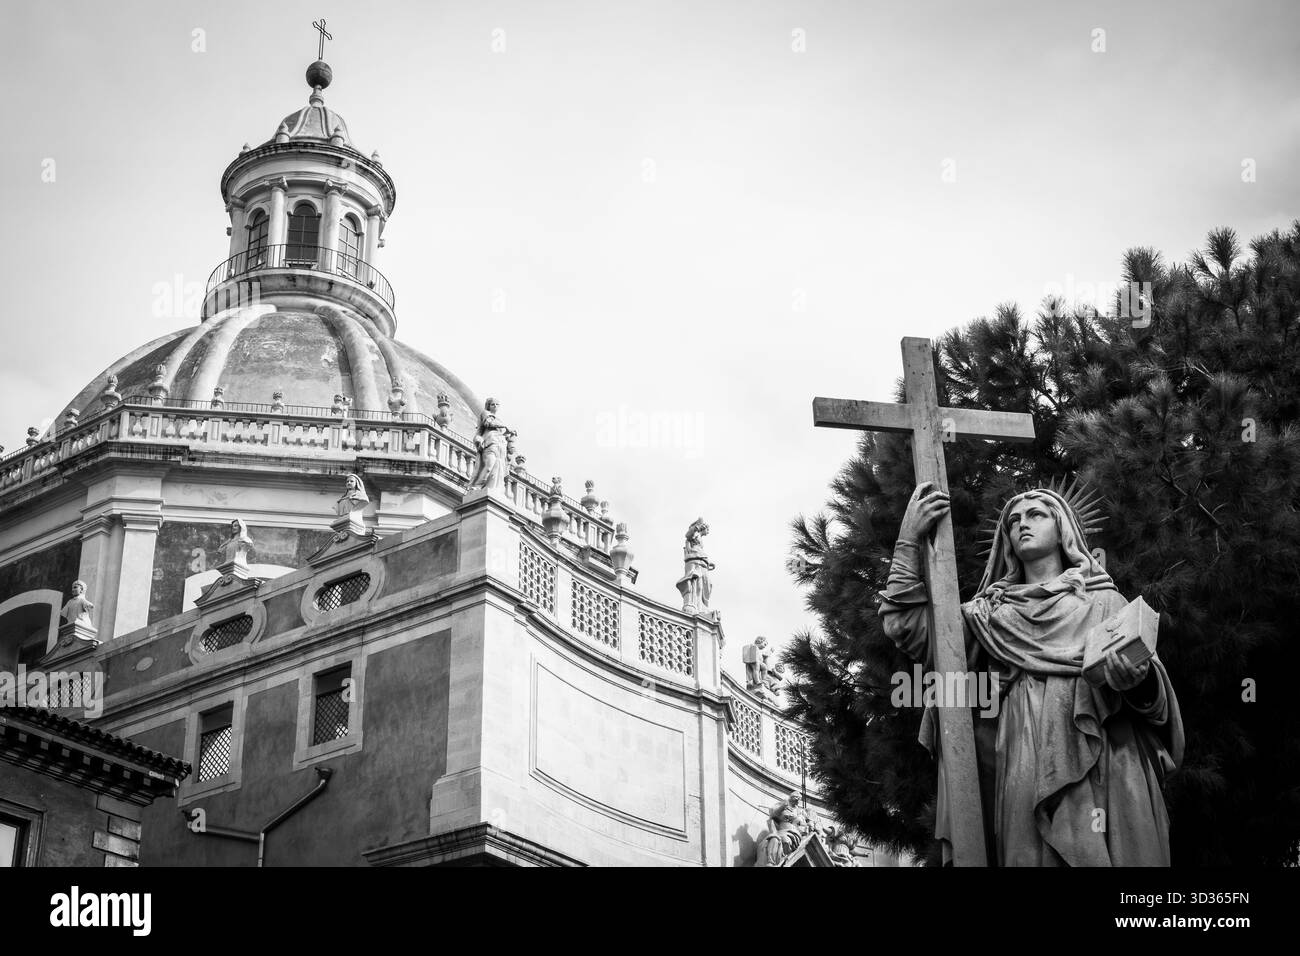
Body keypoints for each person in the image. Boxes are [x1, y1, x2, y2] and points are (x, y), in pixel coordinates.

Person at [878, 482, 1184, 866]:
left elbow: (1158, 705)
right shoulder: (988, 616)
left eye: (1037, 514)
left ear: (1062, 529)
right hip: (1022, 755)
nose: (1023, 524)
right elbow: (907, 626)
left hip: (1108, 759)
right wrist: (908, 540)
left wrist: (1136, 682)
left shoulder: (1105, 604)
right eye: (1014, 521)